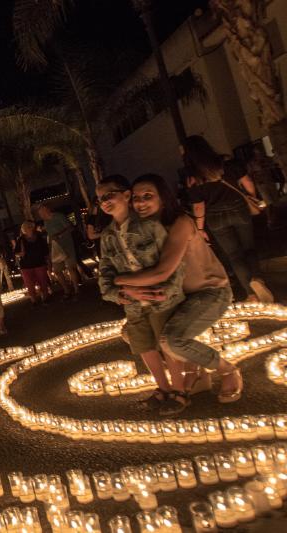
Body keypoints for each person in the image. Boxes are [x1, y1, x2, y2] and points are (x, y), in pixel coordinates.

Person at [115, 174, 243, 415]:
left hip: (209, 292)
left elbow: (162, 271)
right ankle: (197, 374)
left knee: (171, 340)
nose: (140, 203)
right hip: (177, 298)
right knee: (131, 334)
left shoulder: (180, 223)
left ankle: (227, 370)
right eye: (135, 198)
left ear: (163, 198)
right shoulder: (143, 231)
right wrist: (128, 290)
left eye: (147, 196)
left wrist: (117, 282)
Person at [96, 175, 185, 410]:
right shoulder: (107, 236)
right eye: (100, 199)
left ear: (126, 195)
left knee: (166, 343)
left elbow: (173, 261)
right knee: (143, 345)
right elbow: (105, 271)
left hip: (159, 298)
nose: (104, 202)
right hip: (132, 303)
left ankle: (179, 390)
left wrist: (167, 291)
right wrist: (117, 294)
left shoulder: (149, 225)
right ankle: (162, 389)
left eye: (109, 195)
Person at [182, 135, 273, 303]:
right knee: (249, 248)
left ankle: (251, 294)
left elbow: (199, 206)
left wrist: (200, 229)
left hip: (215, 217)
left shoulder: (192, 177)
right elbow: (248, 182)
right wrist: (252, 197)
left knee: (234, 255)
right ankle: (257, 279)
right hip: (238, 209)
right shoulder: (227, 163)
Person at [38, 204, 81, 299]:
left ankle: (76, 289)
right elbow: (50, 235)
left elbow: (70, 228)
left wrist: (59, 235)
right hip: (55, 248)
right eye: (40, 214)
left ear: (47, 210)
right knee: (57, 271)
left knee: (71, 268)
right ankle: (66, 290)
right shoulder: (46, 222)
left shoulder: (58, 216)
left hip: (67, 246)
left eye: (41, 213)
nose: (41, 215)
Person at [15, 221, 50, 306]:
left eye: (29, 227)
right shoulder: (21, 239)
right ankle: (33, 300)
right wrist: (20, 254)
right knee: (30, 284)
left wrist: (48, 262)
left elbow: (45, 250)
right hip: (26, 265)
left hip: (39, 263)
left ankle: (45, 297)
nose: (27, 229)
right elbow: (16, 252)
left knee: (43, 281)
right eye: (25, 228)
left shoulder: (39, 237)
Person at [247, 144, 282, 229]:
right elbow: (250, 174)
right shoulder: (252, 162)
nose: (259, 152)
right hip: (261, 184)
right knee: (268, 202)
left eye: (259, 150)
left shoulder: (267, 159)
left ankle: (274, 219)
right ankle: (270, 221)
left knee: (274, 202)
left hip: (269, 181)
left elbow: (274, 168)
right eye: (257, 150)